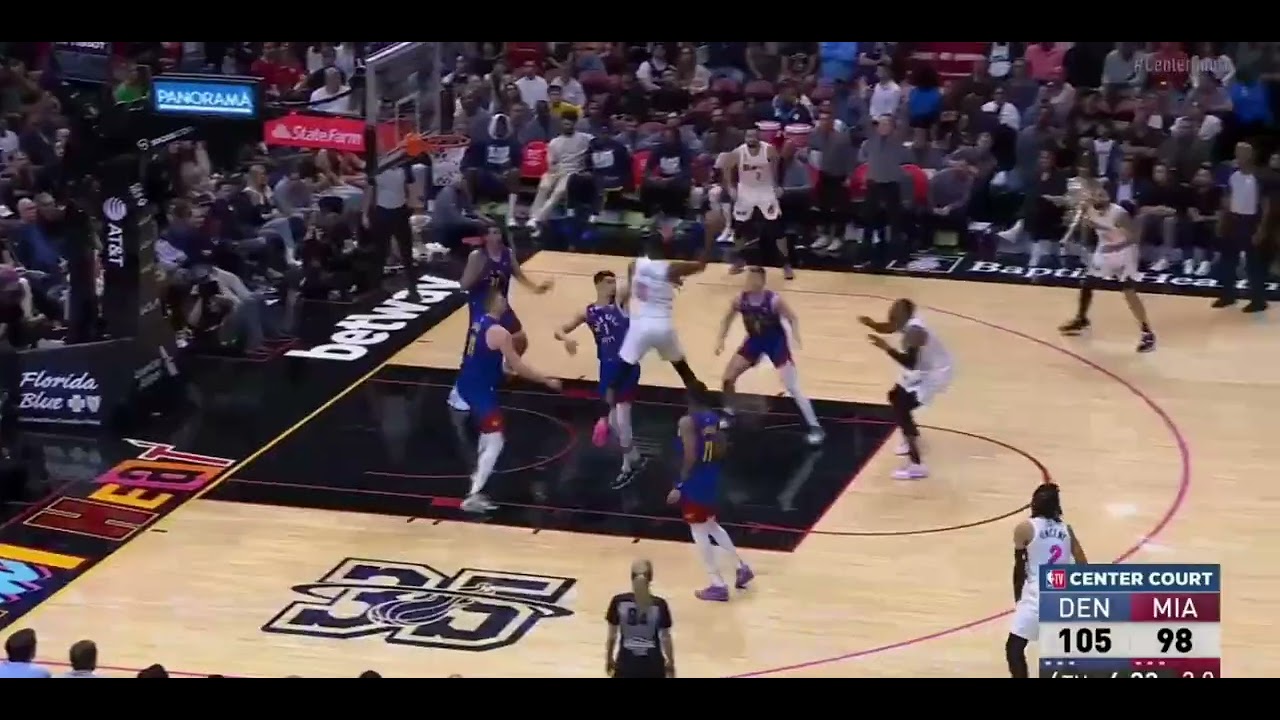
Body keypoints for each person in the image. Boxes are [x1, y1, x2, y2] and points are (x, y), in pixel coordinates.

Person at [591, 227, 715, 450]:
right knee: (686, 373)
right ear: (664, 247)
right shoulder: (669, 268)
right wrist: (710, 236)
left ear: (645, 247)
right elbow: (701, 265)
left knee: (615, 380)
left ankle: (602, 419)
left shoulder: (635, 265)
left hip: (640, 328)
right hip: (663, 327)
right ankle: (710, 414)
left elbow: (633, 287)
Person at [448, 285, 562, 512]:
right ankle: (473, 495)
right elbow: (519, 366)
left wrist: (500, 373)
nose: (505, 302)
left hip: (467, 381)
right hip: (481, 389)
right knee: (496, 438)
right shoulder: (501, 333)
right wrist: (546, 380)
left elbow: (478, 355)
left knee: (487, 436)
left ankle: (478, 472)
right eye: (501, 299)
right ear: (494, 304)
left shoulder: (478, 321)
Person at [715, 266, 823, 445]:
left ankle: (816, 427)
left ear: (761, 282)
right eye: (748, 278)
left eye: (752, 279)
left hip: (776, 344)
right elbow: (726, 319)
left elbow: (793, 318)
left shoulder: (773, 300)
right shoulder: (739, 300)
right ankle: (729, 412)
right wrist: (721, 339)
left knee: (793, 386)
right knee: (727, 378)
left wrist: (795, 336)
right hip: (755, 342)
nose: (748, 282)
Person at [666, 382, 754, 601]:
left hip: (695, 481)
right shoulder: (713, 418)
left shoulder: (687, 421)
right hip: (711, 477)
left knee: (698, 531)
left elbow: (690, 455)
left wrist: (679, 485)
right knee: (711, 525)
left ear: (690, 400)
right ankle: (741, 567)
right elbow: (722, 447)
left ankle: (717, 584)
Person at [554, 270, 642, 487]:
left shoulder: (620, 303)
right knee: (614, 423)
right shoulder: (588, 311)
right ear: (598, 285)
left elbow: (631, 283)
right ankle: (635, 458)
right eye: (609, 282)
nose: (613, 285)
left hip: (626, 367)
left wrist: (637, 270)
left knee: (622, 422)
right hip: (606, 368)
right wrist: (566, 339)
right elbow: (559, 329)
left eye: (615, 281)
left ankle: (628, 467)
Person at [859, 298, 954, 480]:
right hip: (924, 369)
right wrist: (871, 324)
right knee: (895, 396)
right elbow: (889, 327)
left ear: (905, 315)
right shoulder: (907, 321)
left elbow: (910, 363)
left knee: (902, 406)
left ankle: (917, 465)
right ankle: (909, 432)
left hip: (935, 373)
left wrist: (886, 347)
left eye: (895, 312)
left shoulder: (915, 332)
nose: (891, 314)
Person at [1057, 184, 1157, 353]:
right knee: (1087, 283)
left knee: (1129, 292)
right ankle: (1081, 319)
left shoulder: (1119, 214)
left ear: (1108, 197)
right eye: (1096, 195)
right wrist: (1066, 237)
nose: (1100, 197)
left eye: (1103, 194)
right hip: (1104, 249)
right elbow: (1076, 221)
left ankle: (1147, 333)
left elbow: (1133, 238)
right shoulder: (1087, 207)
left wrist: (1110, 241)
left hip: (1125, 251)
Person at [1007, 482, 1087, 678]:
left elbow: (1019, 569)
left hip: (1037, 596)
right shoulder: (1067, 530)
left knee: (1014, 648)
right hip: (1062, 597)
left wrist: (1018, 599)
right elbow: (1083, 565)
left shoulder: (1024, 528)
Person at [458, 224, 553, 357]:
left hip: (501, 304)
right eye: (493, 233)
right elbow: (463, 286)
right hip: (482, 305)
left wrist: (536, 288)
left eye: (498, 232)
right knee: (477, 342)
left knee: (519, 337)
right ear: (485, 237)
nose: (497, 236)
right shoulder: (477, 256)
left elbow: (519, 275)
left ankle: (510, 365)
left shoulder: (507, 253)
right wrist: (481, 272)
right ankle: (468, 366)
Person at [724, 127, 792, 278]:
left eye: (754, 135)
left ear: (759, 136)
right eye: (748, 135)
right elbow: (727, 168)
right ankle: (739, 260)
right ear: (745, 137)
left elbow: (777, 168)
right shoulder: (738, 152)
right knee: (739, 229)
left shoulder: (769, 150)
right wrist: (730, 187)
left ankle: (786, 263)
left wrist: (777, 185)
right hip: (745, 191)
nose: (751, 138)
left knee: (777, 229)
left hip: (765, 190)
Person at [605, 559, 675, 678]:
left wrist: (609, 658)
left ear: (631, 577)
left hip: (626, 661)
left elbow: (612, 636)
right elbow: (665, 638)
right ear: (651, 578)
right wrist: (670, 662)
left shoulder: (618, 601)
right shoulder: (659, 604)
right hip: (653, 662)